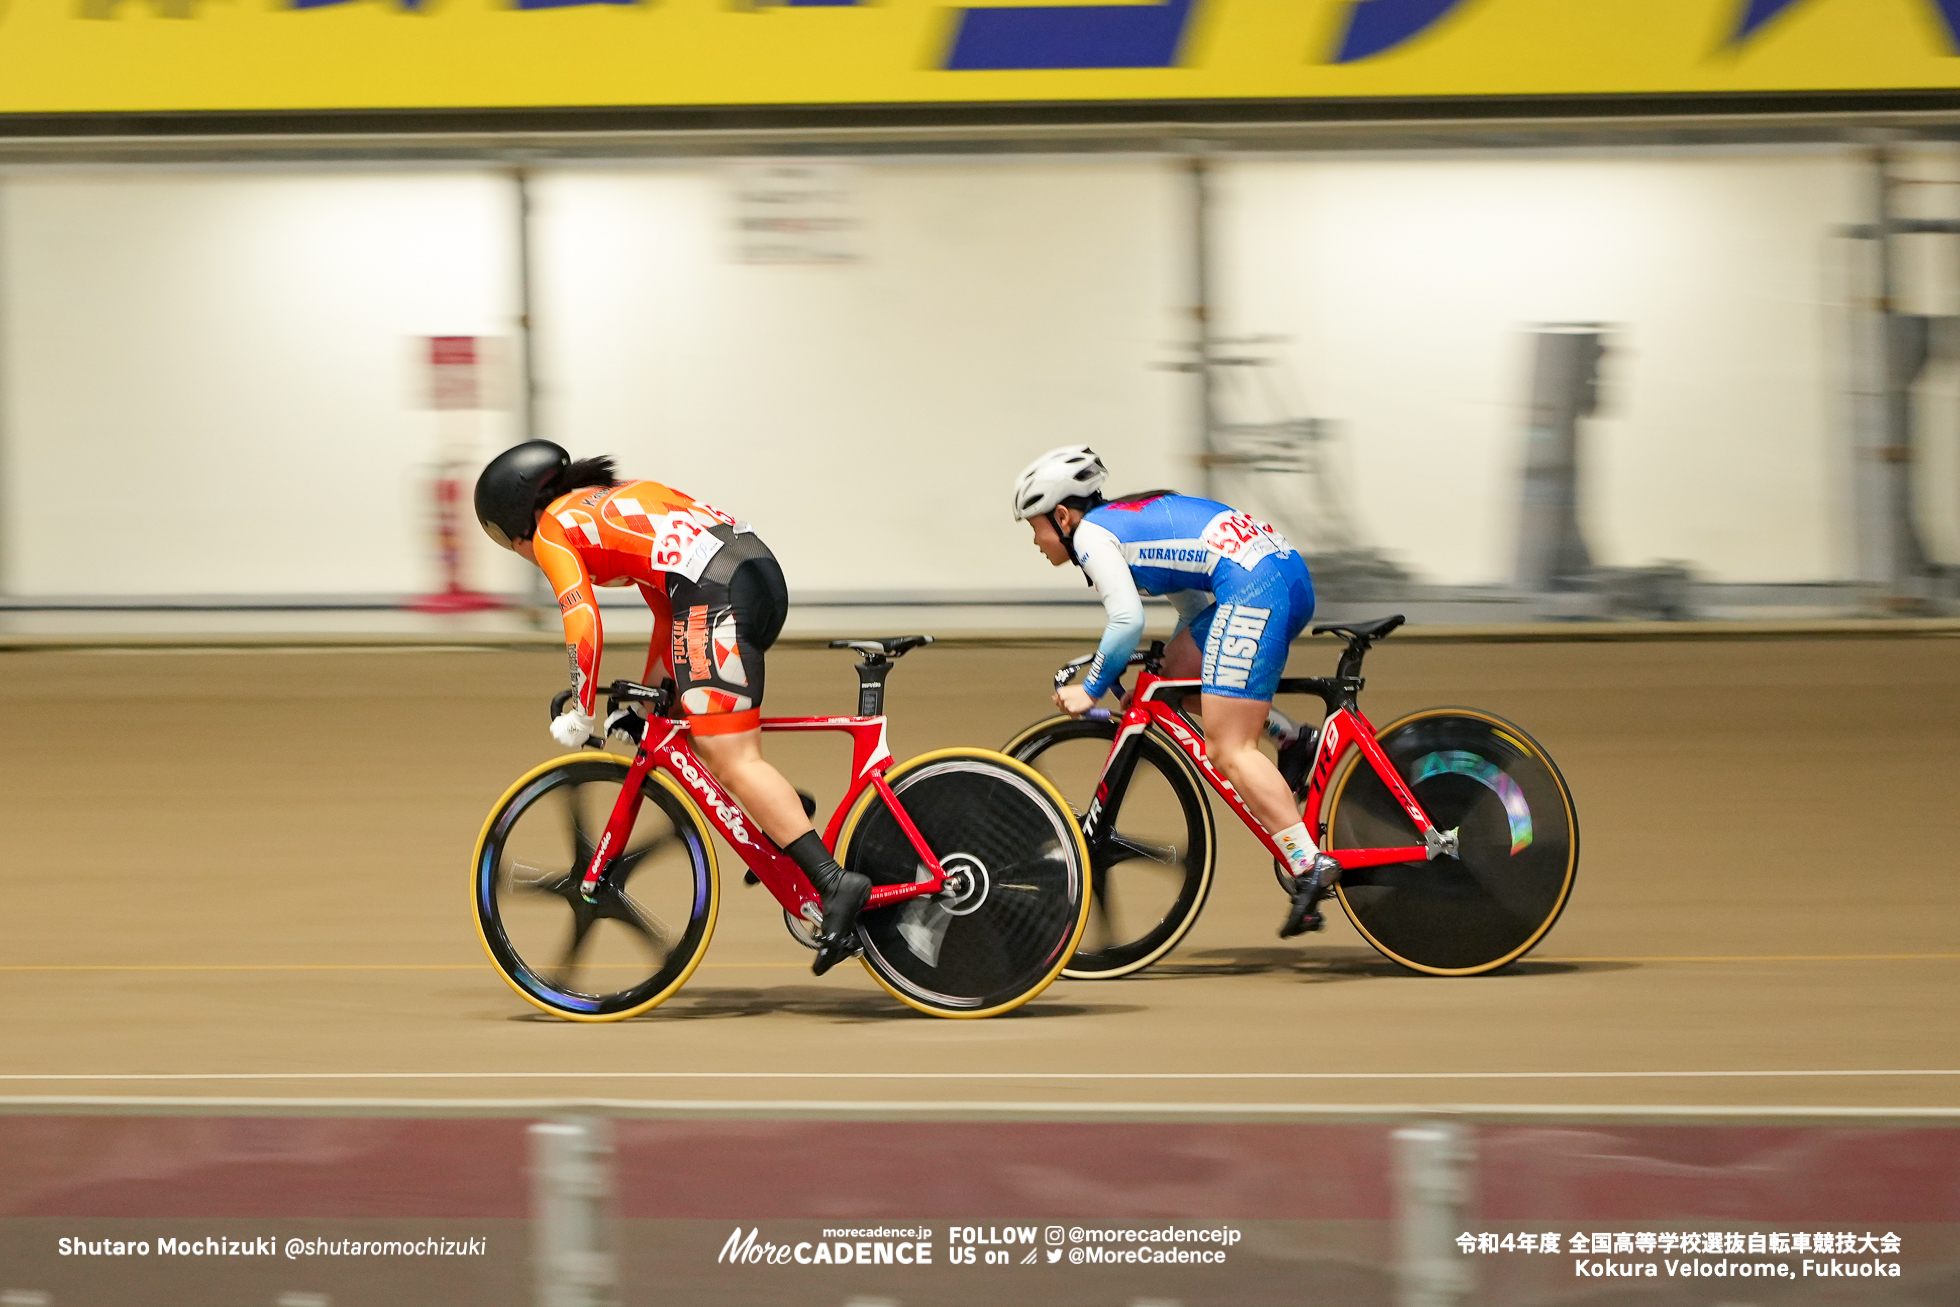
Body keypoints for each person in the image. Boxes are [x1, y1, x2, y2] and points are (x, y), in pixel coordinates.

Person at [474, 439, 870, 975]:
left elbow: (583, 622)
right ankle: (779, 813)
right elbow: (669, 620)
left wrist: (583, 710)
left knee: (733, 758)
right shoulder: (607, 501)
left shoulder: (551, 530)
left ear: (514, 523)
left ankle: (833, 882)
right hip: (750, 575)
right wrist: (644, 696)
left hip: (717, 595)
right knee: (700, 724)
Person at [1011, 445, 1344, 937]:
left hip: (1255, 589)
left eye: (1034, 525)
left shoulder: (1092, 538)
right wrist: (1161, 672)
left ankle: (1308, 862)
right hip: (1280, 577)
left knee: (1229, 747)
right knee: (1183, 686)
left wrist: (1094, 687)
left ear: (1062, 515)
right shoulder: (1126, 521)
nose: (1035, 540)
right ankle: (1292, 738)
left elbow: (1126, 621)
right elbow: (1191, 609)